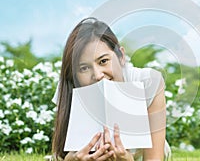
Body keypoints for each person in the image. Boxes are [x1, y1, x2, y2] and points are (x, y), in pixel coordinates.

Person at [51, 17, 170, 160]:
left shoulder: (148, 82)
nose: (97, 75)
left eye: (103, 61)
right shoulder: (69, 89)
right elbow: (64, 156)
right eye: (84, 68)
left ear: (121, 57)